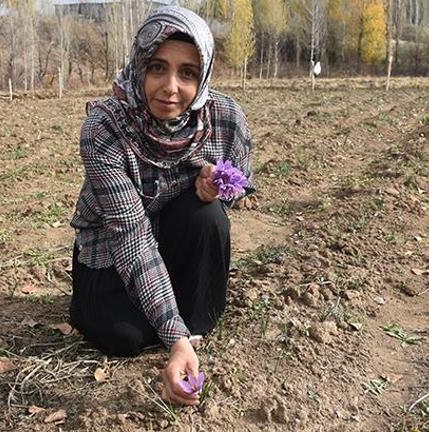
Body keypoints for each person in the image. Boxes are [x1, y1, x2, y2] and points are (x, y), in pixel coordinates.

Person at [69, 6, 254, 406]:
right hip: (114, 244)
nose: (171, 87)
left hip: (173, 234)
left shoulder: (225, 119)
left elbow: (241, 185)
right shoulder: (105, 126)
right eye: (158, 67)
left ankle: (191, 328)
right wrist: (173, 334)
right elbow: (131, 236)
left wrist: (213, 190)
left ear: (202, 76)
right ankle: (175, 326)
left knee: (207, 216)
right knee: (124, 337)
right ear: (139, 66)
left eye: (187, 73)